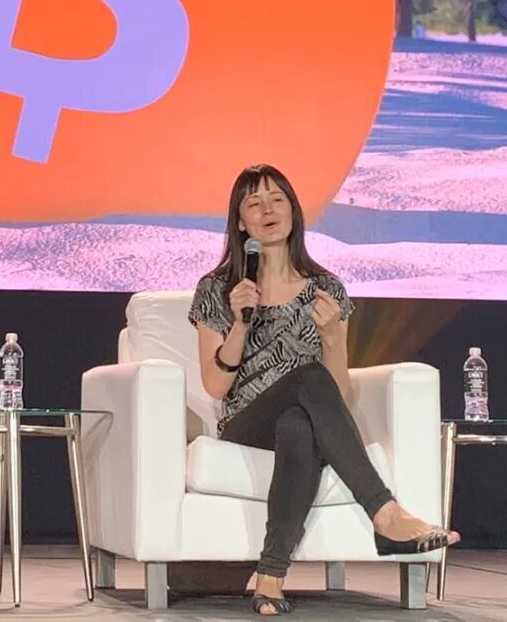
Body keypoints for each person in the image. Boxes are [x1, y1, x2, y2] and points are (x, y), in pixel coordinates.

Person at [188, 164, 459, 616]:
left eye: (277, 199)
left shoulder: (326, 290)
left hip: (303, 418)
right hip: (245, 425)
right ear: (240, 222)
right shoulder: (219, 289)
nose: (267, 210)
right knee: (307, 377)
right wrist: (239, 324)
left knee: (299, 425)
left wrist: (332, 335)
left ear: (293, 211)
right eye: (254, 203)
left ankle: (270, 575)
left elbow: (339, 396)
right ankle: (384, 513)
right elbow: (215, 385)